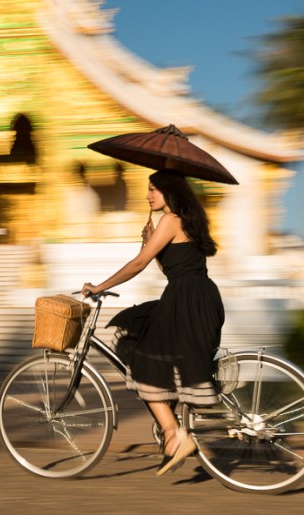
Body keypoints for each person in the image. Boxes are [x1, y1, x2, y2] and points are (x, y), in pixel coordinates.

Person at [81, 169, 225, 476]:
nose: (148, 196)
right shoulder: (187, 221)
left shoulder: (170, 220)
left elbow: (137, 264)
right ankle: (174, 429)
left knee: (141, 356)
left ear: (168, 191)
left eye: (153, 190)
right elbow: (173, 266)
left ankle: (173, 433)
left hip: (184, 300)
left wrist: (99, 287)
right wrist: (149, 241)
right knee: (146, 344)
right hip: (199, 297)